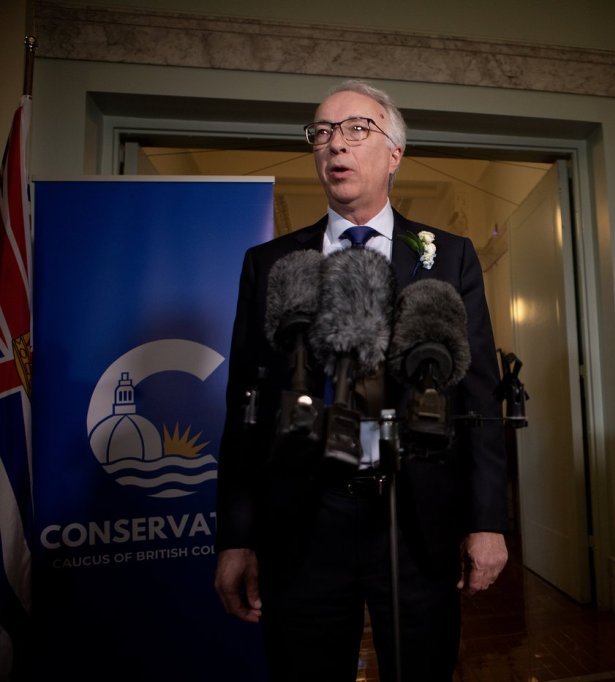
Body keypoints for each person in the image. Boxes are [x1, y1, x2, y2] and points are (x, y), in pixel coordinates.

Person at [214, 79, 509, 681]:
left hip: (415, 519)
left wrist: (487, 520)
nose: (335, 144)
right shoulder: (270, 265)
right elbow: (246, 408)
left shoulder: (449, 256)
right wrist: (236, 536)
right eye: (322, 132)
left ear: (394, 153)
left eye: (356, 129)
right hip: (303, 521)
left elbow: (478, 396)